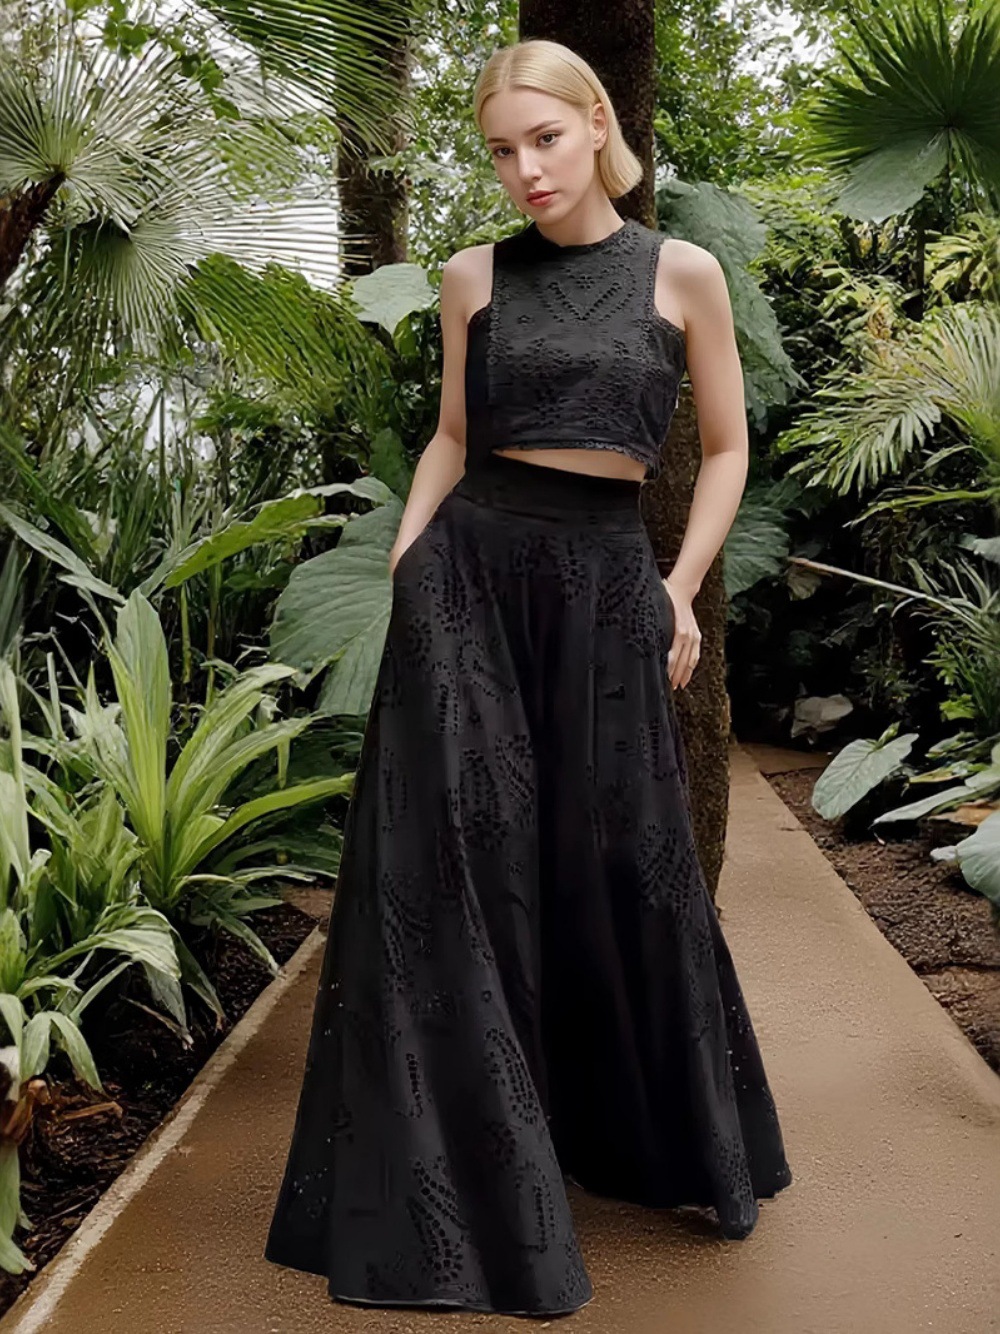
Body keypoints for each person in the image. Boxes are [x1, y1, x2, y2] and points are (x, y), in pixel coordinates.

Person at [264, 36, 792, 1318]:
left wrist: (678, 586)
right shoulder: (471, 277)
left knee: (622, 850)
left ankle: (634, 1130)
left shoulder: (681, 270)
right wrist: (408, 561)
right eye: (502, 151)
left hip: (606, 580)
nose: (525, 170)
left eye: (544, 139)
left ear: (596, 122)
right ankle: (463, 1184)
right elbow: (453, 435)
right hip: (467, 578)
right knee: (459, 855)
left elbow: (725, 448)